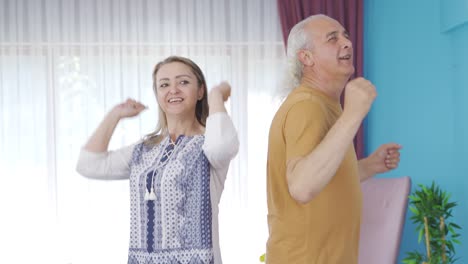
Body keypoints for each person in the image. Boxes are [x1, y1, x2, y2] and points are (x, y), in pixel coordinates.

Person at [265, 14, 401, 264]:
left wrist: (370, 165)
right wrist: (353, 115)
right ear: (306, 58)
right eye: (332, 39)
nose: (346, 43)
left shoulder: (325, 105)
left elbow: (324, 176)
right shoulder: (307, 105)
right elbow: (303, 186)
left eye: (346, 36)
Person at [76, 56, 239, 264]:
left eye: (183, 82)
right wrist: (115, 114)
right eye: (164, 84)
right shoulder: (144, 150)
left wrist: (215, 96)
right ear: (157, 94)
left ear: (200, 91)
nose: (173, 90)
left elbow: (222, 146)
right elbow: (88, 164)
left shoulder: (208, 143)